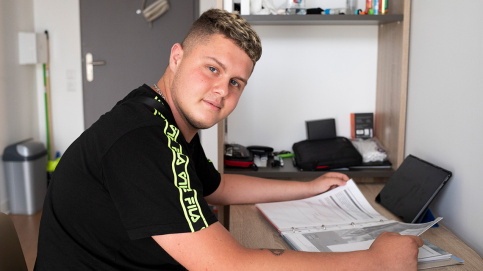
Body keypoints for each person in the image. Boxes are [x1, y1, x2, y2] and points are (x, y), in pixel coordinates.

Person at [34, 9, 423, 271]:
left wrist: (309, 188)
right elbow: (227, 265)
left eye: (235, 82)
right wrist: (373, 262)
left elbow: (216, 186)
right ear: (176, 57)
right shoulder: (140, 139)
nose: (221, 90)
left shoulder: (166, 120)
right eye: (212, 69)